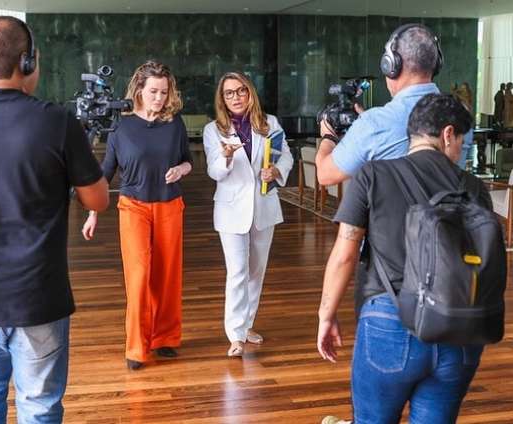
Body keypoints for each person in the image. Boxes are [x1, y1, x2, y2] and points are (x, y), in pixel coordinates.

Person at [0, 16, 109, 423]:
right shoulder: (57, 122)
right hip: (36, 295)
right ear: (28, 62)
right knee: (39, 405)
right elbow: (98, 199)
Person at [317, 94, 492, 424]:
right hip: (459, 330)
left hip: (389, 321)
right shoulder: (474, 187)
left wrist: (327, 315)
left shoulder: (373, 175)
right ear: (447, 134)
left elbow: (345, 253)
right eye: (462, 142)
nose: (460, 152)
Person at [81, 61, 193, 371]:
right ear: (139, 91)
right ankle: (137, 347)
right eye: (153, 91)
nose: (159, 98)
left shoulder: (174, 123)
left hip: (170, 205)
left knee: (167, 277)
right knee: (140, 277)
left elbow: (189, 159)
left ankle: (166, 338)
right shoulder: (121, 126)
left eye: (164, 92)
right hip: (133, 208)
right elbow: (106, 173)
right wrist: (92, 213)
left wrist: (181, 169)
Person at [202, 72, 293, 357]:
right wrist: (226, 157)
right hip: (231, 210)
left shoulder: (270, 124)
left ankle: (247, 325)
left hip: (264, 206)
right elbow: (214, 171)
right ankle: (235, 335)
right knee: (238, 271)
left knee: (256, 271)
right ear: (222, 99)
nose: (236, 97)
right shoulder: (213, 130)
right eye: (229, 93)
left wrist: (277, 171)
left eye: (241, 91)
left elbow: (286, 156)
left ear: (250, 92)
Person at [314, 24, 444, 186]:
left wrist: (328, 136)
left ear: (391, 65)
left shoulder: (375, 124)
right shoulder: (457, 117)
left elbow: (325, 175)